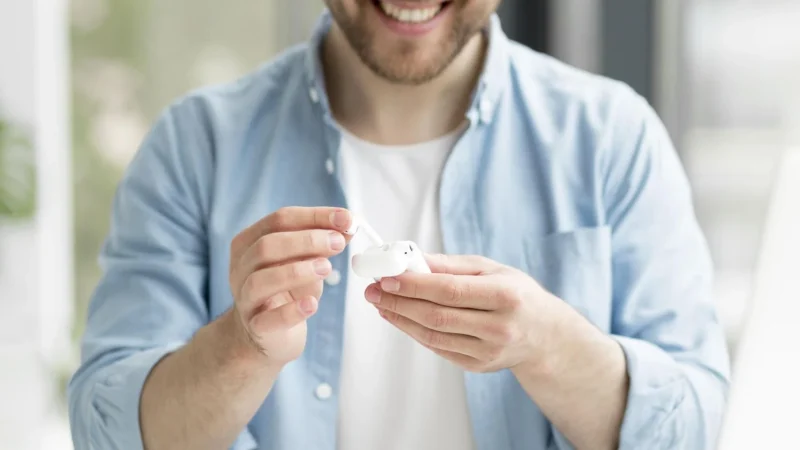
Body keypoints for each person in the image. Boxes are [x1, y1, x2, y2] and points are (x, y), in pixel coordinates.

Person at [67, 1, 731, 449]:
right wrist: (241, 348)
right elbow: (104, 427)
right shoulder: (197, 145)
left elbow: (692, 426)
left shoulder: (613, 137)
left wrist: (548, 346)